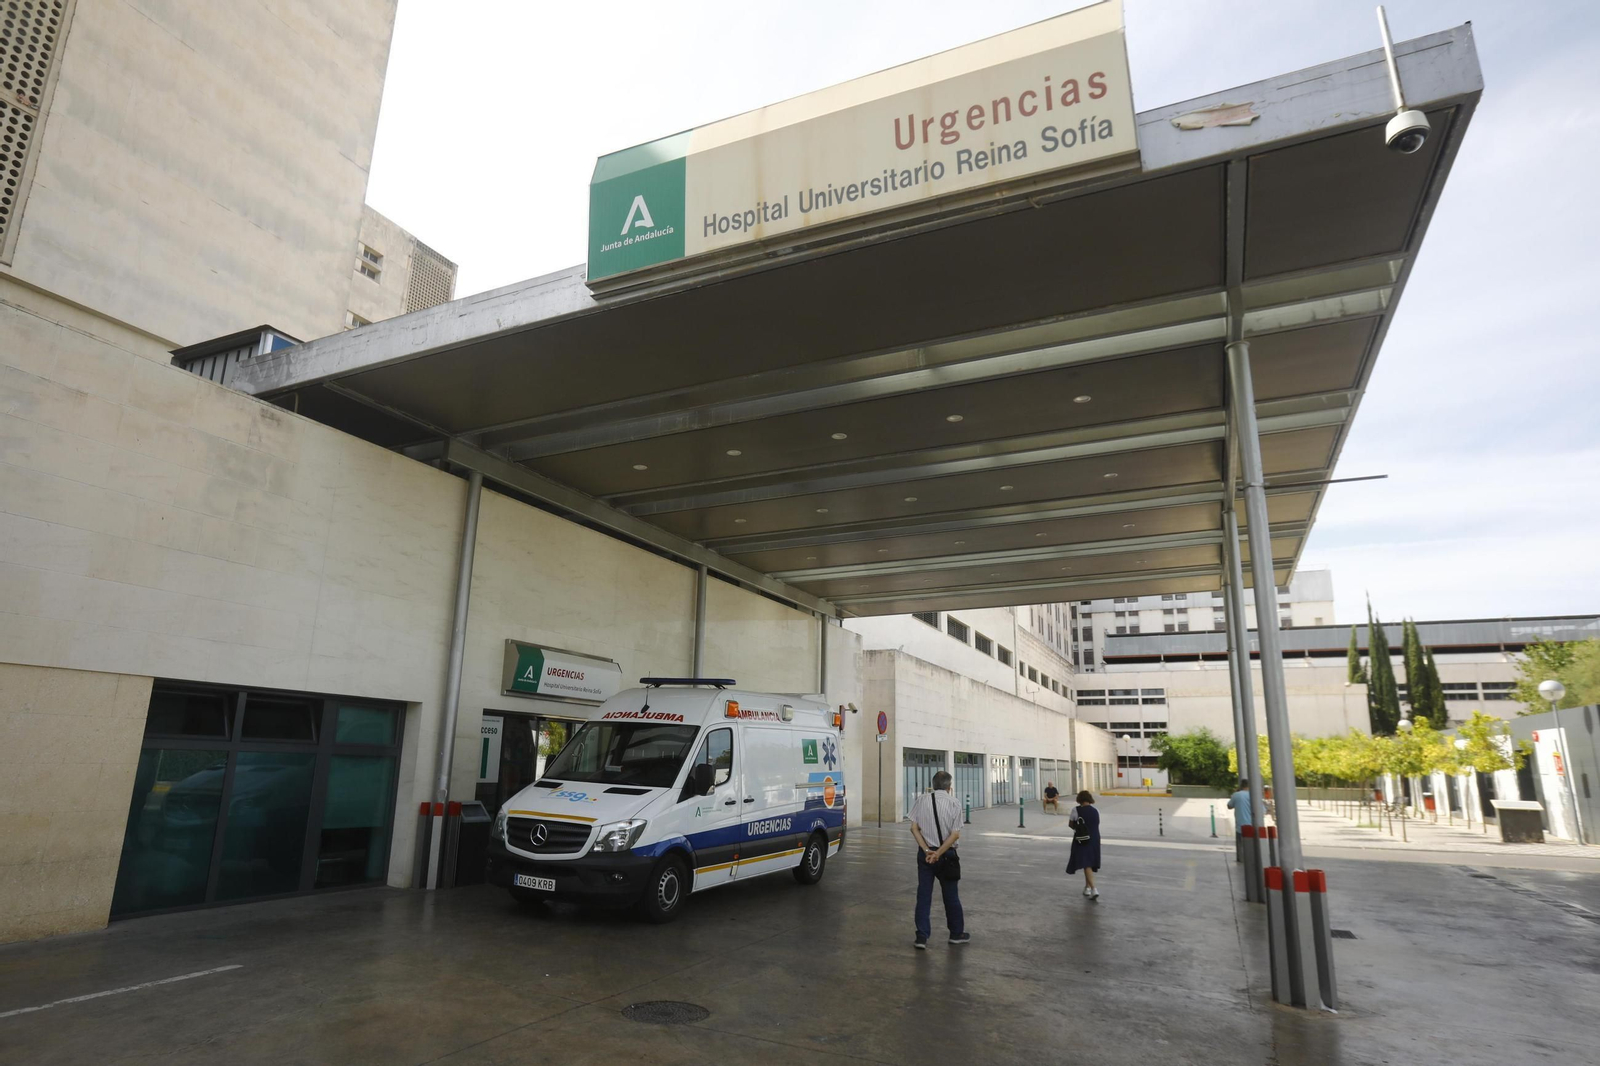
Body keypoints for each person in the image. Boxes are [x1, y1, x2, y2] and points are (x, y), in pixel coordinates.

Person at [908, 770, 969, 949]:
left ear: (933, 785)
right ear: (950, 787)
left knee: (924, 895)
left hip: (925, 856)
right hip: (947, 856)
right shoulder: (954, 803)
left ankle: (921, 936)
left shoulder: (921, 800)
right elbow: (955, 834)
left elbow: (914, 828)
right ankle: (956, 933)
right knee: (951, 896)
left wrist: (928, 850)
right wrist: (939, 853)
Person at [1065, 790, 1101, 899]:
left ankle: (1094, 888)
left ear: (1079, 799)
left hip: (1082, 840)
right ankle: (1087, 888)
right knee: (1088, 863)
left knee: (1086, 864)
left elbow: (1070, 824)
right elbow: (1096, 824)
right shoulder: (1096, 811)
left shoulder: (1076, 810)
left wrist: (1078, 828)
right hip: (1095, 839)